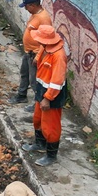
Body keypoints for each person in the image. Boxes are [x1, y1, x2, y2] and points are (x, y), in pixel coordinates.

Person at [23, 23, 67, 166]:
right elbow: (40, 54)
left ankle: (51, 155)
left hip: (51, 95)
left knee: (51, 126)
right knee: (37, 119)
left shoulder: (58, 56)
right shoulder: (46, 48)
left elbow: (57, 81)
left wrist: (47, 99)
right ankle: (39, 144)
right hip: (42, 90)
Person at [13, 0, 50, 104]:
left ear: (33, 5)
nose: (25, 8)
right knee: (24, 74)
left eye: (26, 6)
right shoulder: (34, 14)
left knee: (35, 80)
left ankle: (38, 103)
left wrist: (38, 56)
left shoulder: (44, 18)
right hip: (28, 52)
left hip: (35, 54)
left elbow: (46, 40)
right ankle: (21, 95)